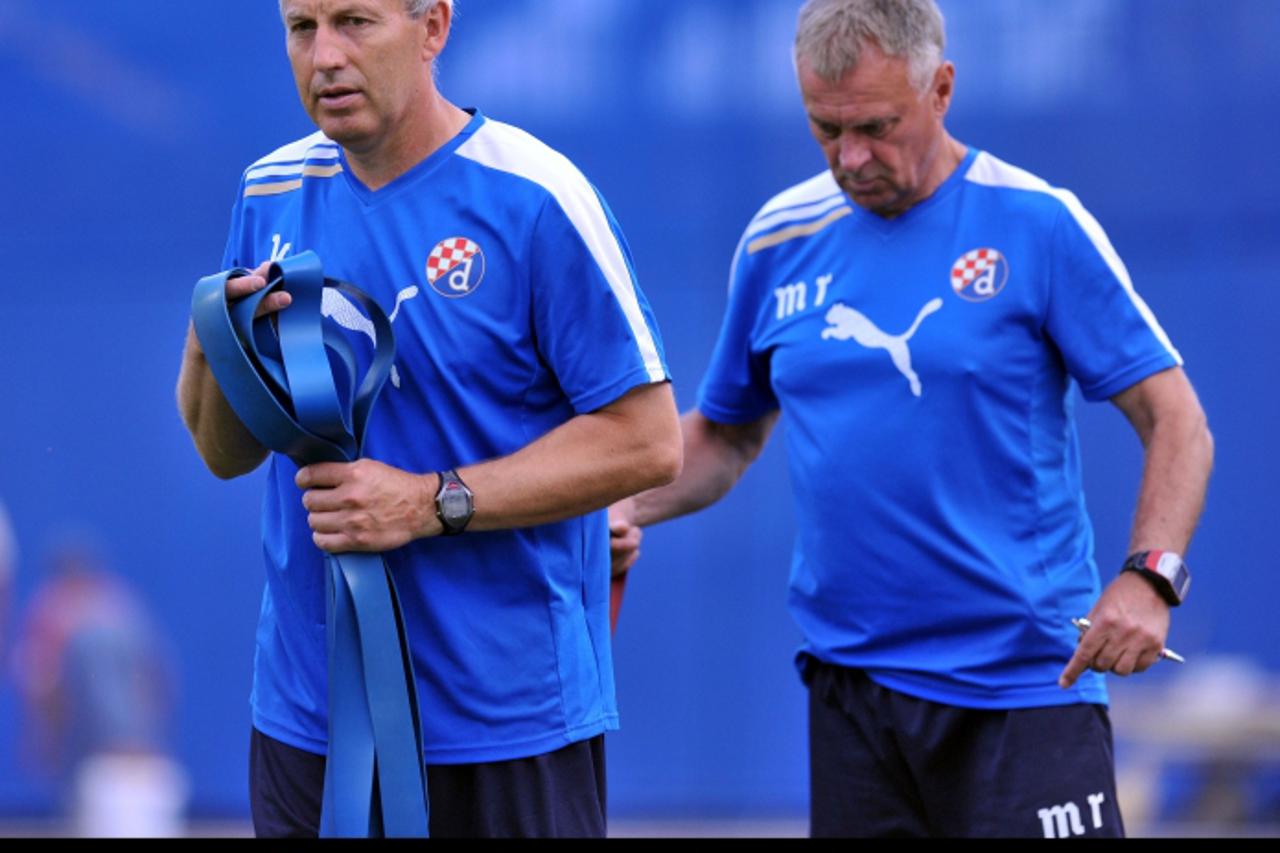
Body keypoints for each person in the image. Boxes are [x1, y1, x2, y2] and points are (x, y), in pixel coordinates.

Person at [610, 0, 1213, 839]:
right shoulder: (779, 238)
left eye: (876, 126)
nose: (851, 157)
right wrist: (614, 499)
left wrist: (1151, 578)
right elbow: (726, 432)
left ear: (942, 88)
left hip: (1025, 690)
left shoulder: (1036, 222)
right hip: (854, 695)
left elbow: (1178, 419)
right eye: (825, 129)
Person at [176, 0, 682, 838]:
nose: (325, 56)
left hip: (503, 723)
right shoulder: (267, 189)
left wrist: (426, 501)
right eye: (302, 29)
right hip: (313, 719)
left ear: (434, 26)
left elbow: (647, 438)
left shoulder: (535, 195)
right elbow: (221, 451)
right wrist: (213, 336)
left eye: (354, 22)